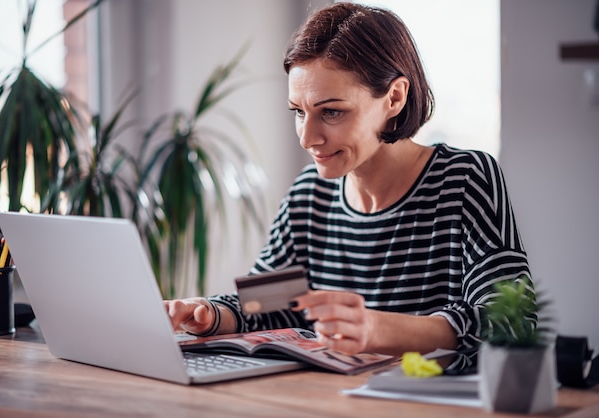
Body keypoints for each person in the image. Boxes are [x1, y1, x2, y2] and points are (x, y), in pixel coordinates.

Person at [164, 2, 533, 356]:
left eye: (332, 112)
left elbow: (513, 322)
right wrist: (209, 314)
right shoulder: (310, 194)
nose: (307, 137)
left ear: (394, 98)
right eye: (298, 112)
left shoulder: (465, 179)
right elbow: (265, 304)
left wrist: (376, 330)